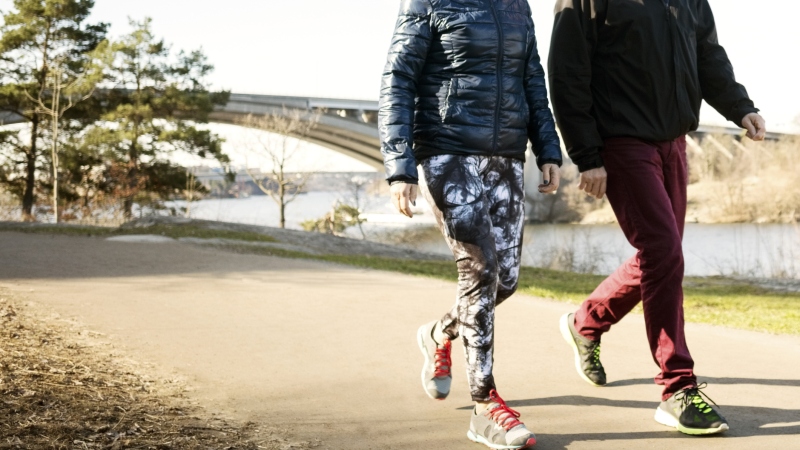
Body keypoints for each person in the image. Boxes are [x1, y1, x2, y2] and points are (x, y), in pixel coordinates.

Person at [548, 0, 766, 436]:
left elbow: (708, 56)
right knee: (663, 252)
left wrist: (739, 105)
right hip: (623, 141)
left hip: (674, 142)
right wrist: (587, 155)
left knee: (661, 256)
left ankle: (586, 322)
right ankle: (677, 388)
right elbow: (567, 72)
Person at [379, 0, 562, 448]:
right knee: (479, 270)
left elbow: (532, 78)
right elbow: (398, 79)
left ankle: (439, 333)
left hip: (505, 155)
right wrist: (400, 167)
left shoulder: (517, 6)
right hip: (446, 150)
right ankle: (485, 406)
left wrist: (548, 148)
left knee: (506, 280)